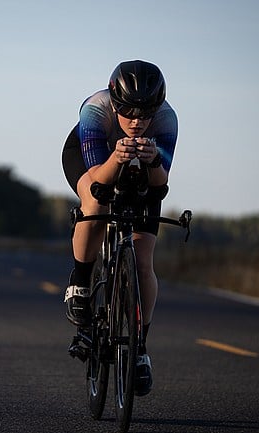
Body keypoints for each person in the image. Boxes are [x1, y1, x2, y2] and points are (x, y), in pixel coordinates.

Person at [61, 59, 178, 396]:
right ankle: (80, 281)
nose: (138, 120)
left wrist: (153, 158)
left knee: (143, 260)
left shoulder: (167, 120)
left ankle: (140, 348)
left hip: (143, 168)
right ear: (115, 103)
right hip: (92, 159)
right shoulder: (94, 111)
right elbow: (99, 181)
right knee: (95, 203)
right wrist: (118, 157)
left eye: (146, 113)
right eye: (129, 111)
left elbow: (160, 187)